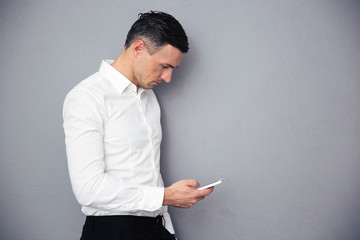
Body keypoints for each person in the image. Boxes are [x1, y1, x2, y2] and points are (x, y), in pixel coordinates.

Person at [63, 11, 214, 240]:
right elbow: (88, 189)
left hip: (156, 227)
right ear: (138, 48)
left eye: (173, 68)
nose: (168, 78)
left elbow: (147, 172)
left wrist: (166, 228)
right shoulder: (87, 97)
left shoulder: (148, 96)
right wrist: (167, 196)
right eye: (164, 66)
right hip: (112, 231)